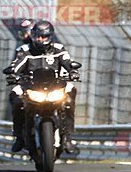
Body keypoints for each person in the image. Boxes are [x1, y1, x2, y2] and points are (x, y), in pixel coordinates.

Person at [6, 20, 79, 154]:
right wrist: (12, 73)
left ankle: (68, 138)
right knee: (15, 99)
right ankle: (19, 137)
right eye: (38, 36)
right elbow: (16, 64)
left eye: (44, 36)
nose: (40, 39)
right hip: (30, 86)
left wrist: (73, 71)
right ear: (32, 35)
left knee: (69, 99)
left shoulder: (58, 48)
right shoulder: (25, 50)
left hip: (55, 86)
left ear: (50, 36)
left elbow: (68, 61)